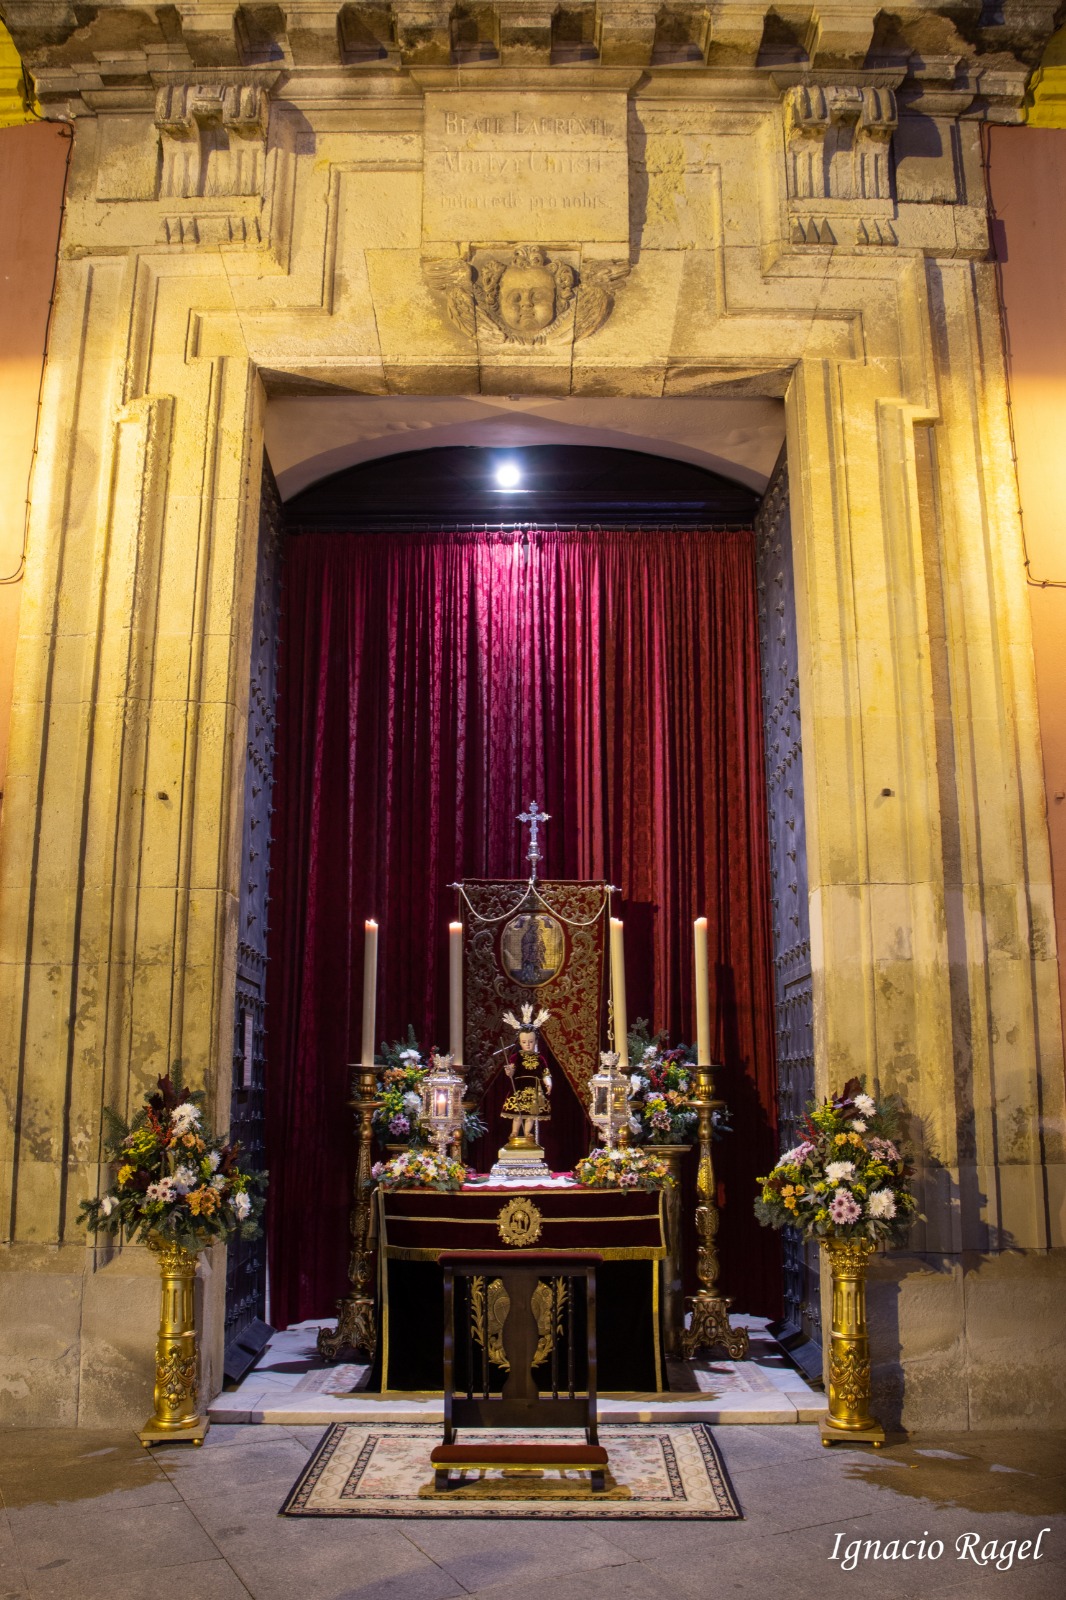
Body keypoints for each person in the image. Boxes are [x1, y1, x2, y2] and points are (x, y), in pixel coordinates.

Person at [500, 1004, 552, 1147]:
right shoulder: (516, 1057)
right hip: (520, 1088)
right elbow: (512, 1069)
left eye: (530, 1042)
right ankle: (514, 1133)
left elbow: (545, 1073)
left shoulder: (540, 1058)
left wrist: (548, 1083)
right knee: (518, 1113)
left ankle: (528, 1134)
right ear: (519, 1042)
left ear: (536, 1041)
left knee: (531, 1115)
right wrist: (509, 1071)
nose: (527, 1045)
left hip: (535, 1089)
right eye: (524, 1042)